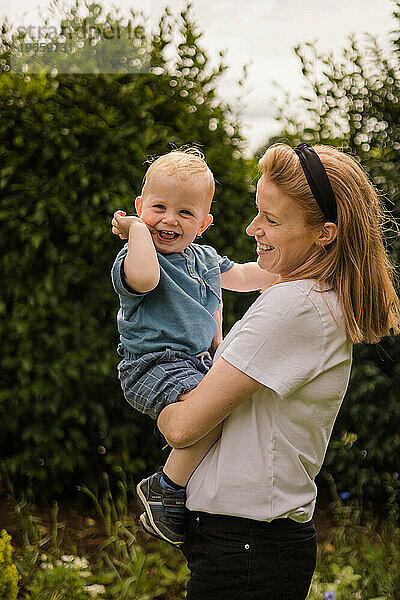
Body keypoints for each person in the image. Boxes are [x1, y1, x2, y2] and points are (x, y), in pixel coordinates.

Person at [151, 142, 400, 600]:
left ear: (324, 233)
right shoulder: (309, 298)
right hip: (249, 547)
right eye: (257, 212)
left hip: (247, 551)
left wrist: (149, 384)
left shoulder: (296, 305)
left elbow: (184, 426)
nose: (252, 228)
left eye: (271, 219)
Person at [110, 148, 277, 545]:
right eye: (158, 207)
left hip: (195, 363)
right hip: (152, 365)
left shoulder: (203, 258)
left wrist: (288, 271)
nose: (169, 219)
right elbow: (147, 279)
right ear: (139, 206)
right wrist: (135, 231)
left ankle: (188, 490)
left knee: (227, 416)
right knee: (211, 410)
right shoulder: (135, 255)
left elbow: (242, 275)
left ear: (203, 224)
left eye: (185, 213)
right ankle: (165, 487)